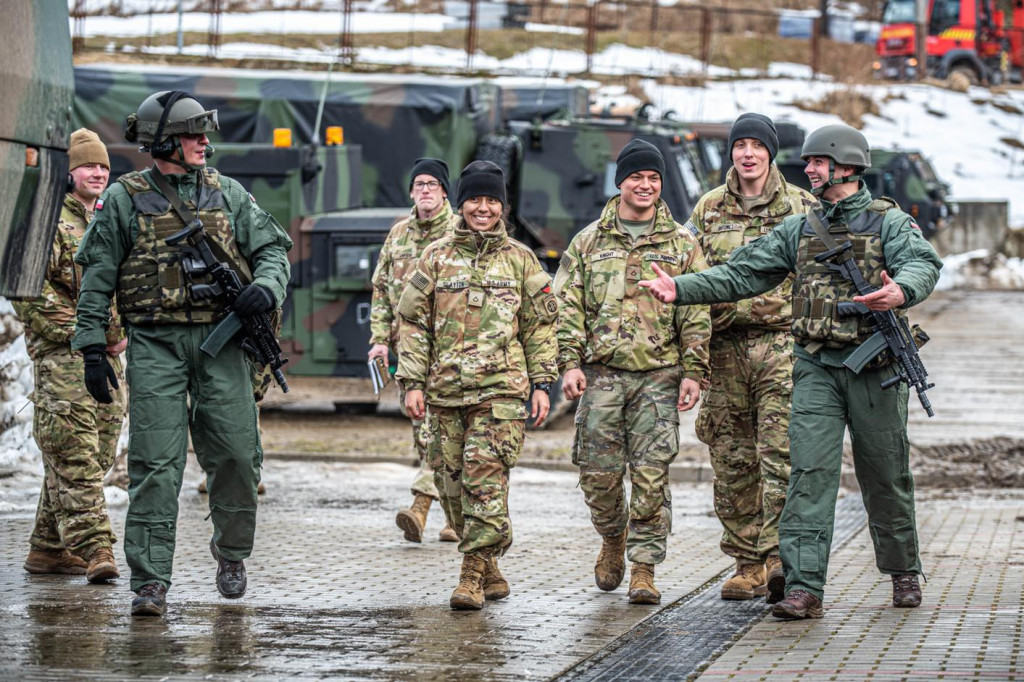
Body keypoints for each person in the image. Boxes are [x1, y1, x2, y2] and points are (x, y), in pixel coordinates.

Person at [640, 124, 942, 619]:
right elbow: (742, 271)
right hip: (816, 365)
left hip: (875, 367)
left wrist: (902, 290)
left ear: (845, 166)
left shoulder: (888, 221)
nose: (810, 170)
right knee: (808, 474)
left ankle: (903, 571)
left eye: (819, 162)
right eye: (809, 162)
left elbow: (922, 262)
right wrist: (682, 287)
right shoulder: (801, 227)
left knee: (885, 473)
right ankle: (804, 587)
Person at [72, 91, 293, 617]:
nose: (203, 141)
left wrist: (265, 287)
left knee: (238, 456)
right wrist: (90, 348)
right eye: (194, 133)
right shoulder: (125, 199)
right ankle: (150, 580)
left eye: (203, 132)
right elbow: (97, 277)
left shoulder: (229, 193)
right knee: (155, 464)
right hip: (156, 346)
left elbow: (273, 249)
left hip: (224, 344)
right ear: (163, 140)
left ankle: (232, 553)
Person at [552, 139, 711, 605]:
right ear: (620, 181)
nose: (645, 185)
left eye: (653, 178)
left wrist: (694, 371)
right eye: (637, 177)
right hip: (601, 375)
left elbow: (696, 310)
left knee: (650, 475)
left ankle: (644, 567)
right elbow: (566, 307)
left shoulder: (682, 243)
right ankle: (613, 537)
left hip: (658, 377)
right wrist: (569, 363)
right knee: (597, 474)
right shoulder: (589, 241)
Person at [396, 160, 558, 610]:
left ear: (503, 207)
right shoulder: (435, 257)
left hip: (500, 393)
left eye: (492, 201)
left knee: (485, 483)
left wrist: (543, 384)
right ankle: (489, 563)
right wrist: (411, 380)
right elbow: (412, 322)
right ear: (461, 203)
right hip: (444, 392)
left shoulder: (521, 260)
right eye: (475, 199)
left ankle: (470, 575)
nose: (483, 208)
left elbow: (540, 330)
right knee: (450, 487)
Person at [686, 114, 817, 604]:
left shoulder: (802, 206)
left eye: (756, 146)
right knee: (731, 458)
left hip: (783, 346)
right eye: (739, 145)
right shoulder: (708, 209)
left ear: (770, 153)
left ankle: (785, 557)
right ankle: (748, 562)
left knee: (782, 453)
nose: (747, 154)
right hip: (724, 349)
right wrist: (692, 359)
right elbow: (691, 275)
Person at [14, 128, 126, 584]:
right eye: (88, 165)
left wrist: (121, 332)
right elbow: (31, 294)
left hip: (109, 357)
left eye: (103, 165)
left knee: (97, 451)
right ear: (68, 171)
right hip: (64, 356)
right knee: (74, 452)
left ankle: (47, 548)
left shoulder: (109, 216)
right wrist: (90, 335)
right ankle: (96, 547)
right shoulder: (41, 219)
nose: (97, 172)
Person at [369, 158, 459, 544]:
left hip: (450, 351)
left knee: (441, 431)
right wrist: (378, 340)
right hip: (408, 352)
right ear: (411, 192)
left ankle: (421, 506)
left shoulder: (461, 232)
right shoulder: (398, 236)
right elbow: (381, 291)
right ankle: (458, 517)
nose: (425, 190)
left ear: (443, 192)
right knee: (425, 434)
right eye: (419, 184)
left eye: (432, 184)